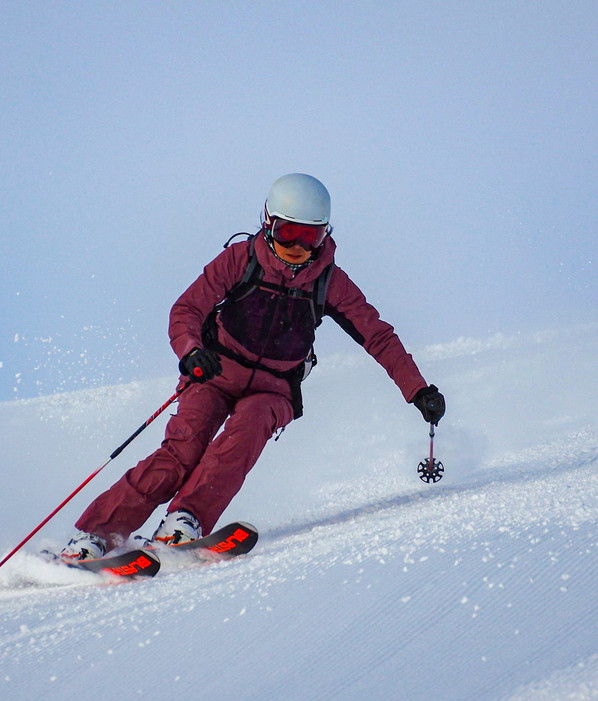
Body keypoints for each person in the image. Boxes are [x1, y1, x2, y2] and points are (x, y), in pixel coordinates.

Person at [63, 173, 445, 559]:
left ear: (325, 235)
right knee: (183, 450)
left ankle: (185, 521)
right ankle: (95, 535)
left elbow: (376, 335)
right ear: (268, 223)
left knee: (245, 433)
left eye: (309, 236)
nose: (296, 246)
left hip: (274, 388)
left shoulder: (329, 282)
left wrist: (418, 389)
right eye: (287, 232)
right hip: (214, 374)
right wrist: (191, 351)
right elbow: (187, 309)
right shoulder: (240, 260)